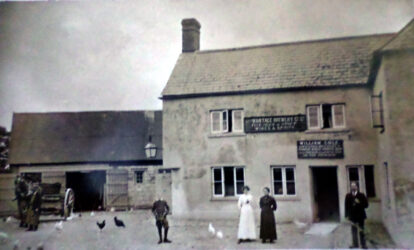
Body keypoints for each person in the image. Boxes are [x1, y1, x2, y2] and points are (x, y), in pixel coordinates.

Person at [345, 181, 369, 249]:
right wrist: (346, 216)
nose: (353, 187)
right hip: (352, 216)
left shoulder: (361, 195)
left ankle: (363, 244)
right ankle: (355, 244)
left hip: (360, 216)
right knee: (353, 231)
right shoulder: (348, 196)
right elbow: (346, 206)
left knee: (361, 230)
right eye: (351, 186)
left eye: (354, 186)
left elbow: (366, 205)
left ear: (357, 187)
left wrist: (359, 202)